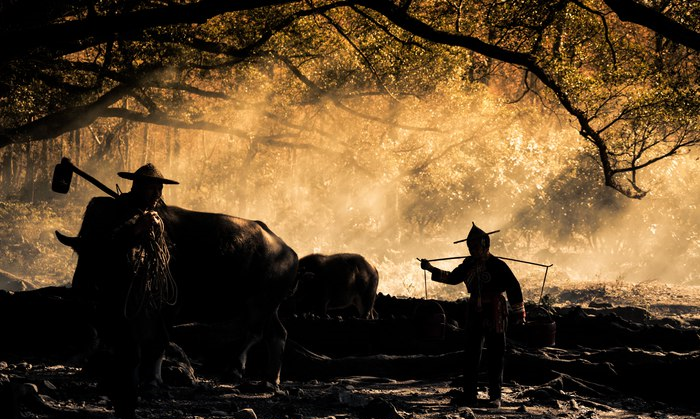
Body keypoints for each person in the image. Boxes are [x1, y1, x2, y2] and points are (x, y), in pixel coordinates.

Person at [72, 163, 179, 419]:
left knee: (138, 348)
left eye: (159, 188)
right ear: (137, 186)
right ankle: (124, 408)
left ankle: (124, 401)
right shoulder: (111, 210)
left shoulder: (153, 213)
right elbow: (104, 247)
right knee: (126, 352)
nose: (156, 193)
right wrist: (135, 231)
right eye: (151, 187)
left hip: (142, 294)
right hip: (116, 292)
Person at [420, 223, 525, 408]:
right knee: (471, 354)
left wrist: (519, 313)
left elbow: (513, 287)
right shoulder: (468, 265)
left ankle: (495, 397)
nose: (473, 251)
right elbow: (452, 278)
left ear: (485, 246)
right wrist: (430, 268)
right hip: (475, 312)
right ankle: (470, 396)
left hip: (495, 313)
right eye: (470, 248)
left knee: (496, 354)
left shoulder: (498, 265)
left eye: (476, 247)